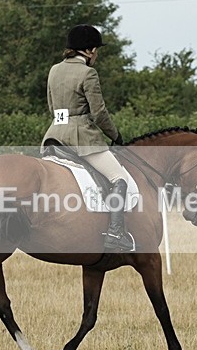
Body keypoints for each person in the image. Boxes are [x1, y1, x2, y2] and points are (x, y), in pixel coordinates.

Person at [41, 24, 134, 252]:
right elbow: (99, 112)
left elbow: (52, 106)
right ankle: (115, 234)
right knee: (119, 178)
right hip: (81, 138)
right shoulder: (88, 73)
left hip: (53, 135)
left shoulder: (54, 70)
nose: (97, 55)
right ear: (90, 50)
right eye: (97, 50)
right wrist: (116, 135)